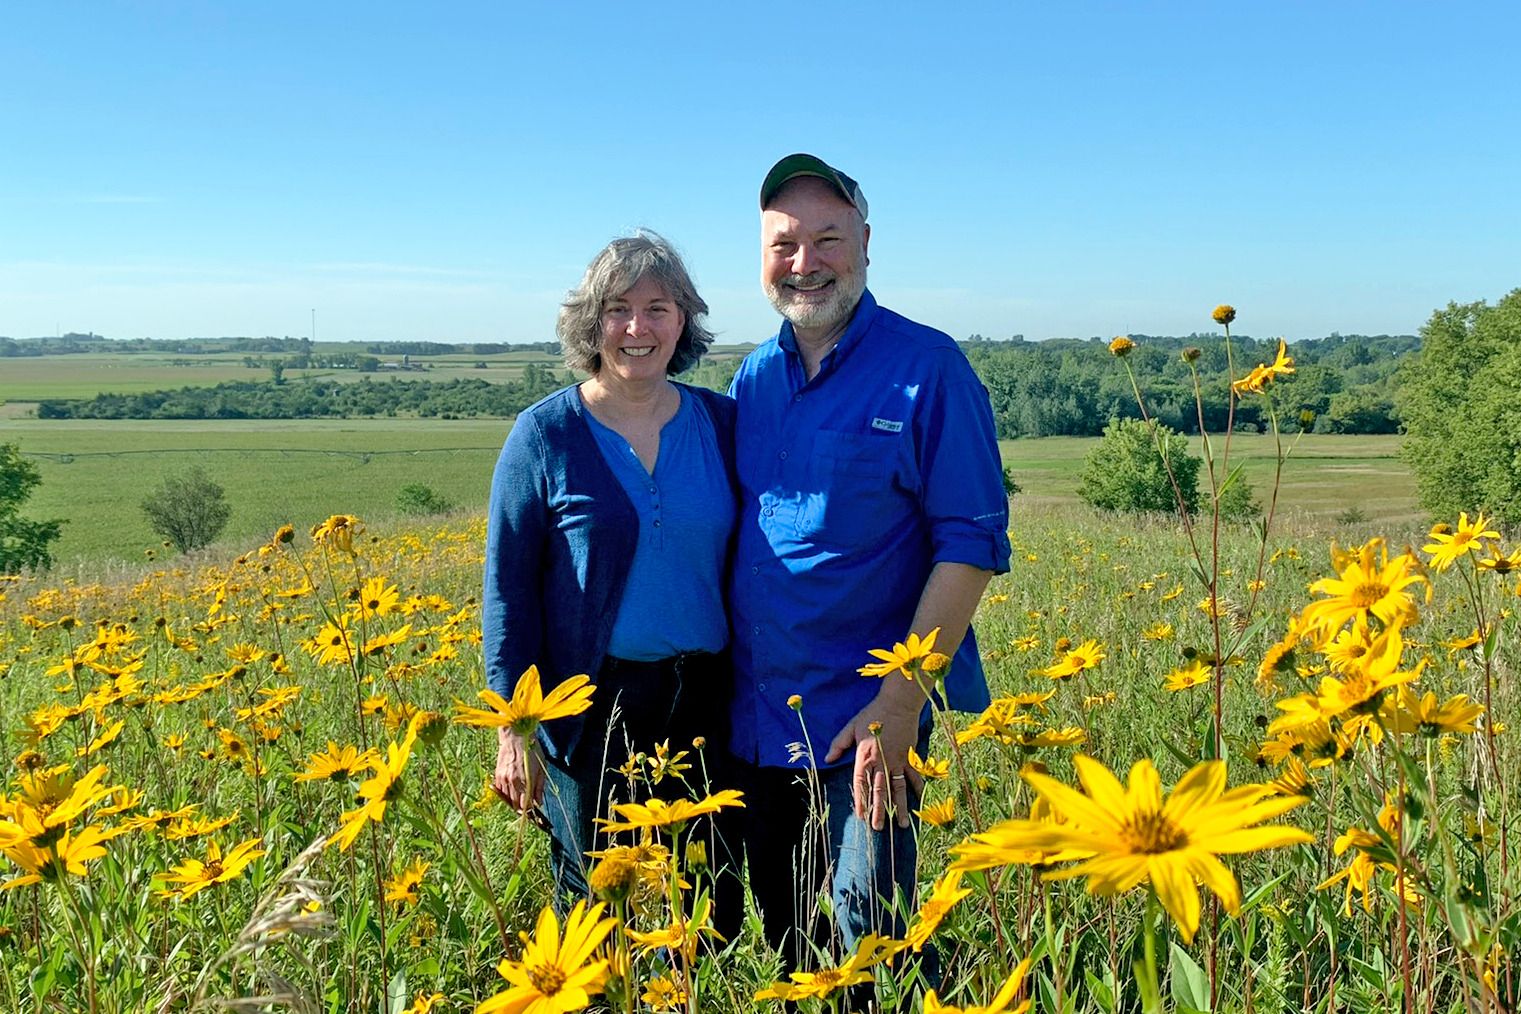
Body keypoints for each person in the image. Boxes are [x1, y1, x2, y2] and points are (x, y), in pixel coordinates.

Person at [728, 155, 1012, 978]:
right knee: (790, 950)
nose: (804, 262)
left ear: (864, 242)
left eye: (827, 239)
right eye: (784, 244)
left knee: (872, 947)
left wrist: (898, 701)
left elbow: (972, 543)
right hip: (757, 721)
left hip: (865, 723)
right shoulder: (754, 375)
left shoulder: (929, 368)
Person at [482, 231, 741, 930]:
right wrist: (514, 729)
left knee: (704, 905)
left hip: (708, 700)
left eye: (658, 308)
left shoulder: (722, 424)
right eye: (617, 309)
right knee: (599, 914)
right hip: (592, 710)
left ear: (683, 321)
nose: (637, 328)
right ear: (589, 323)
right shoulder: (543, 436)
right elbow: (507, 593)